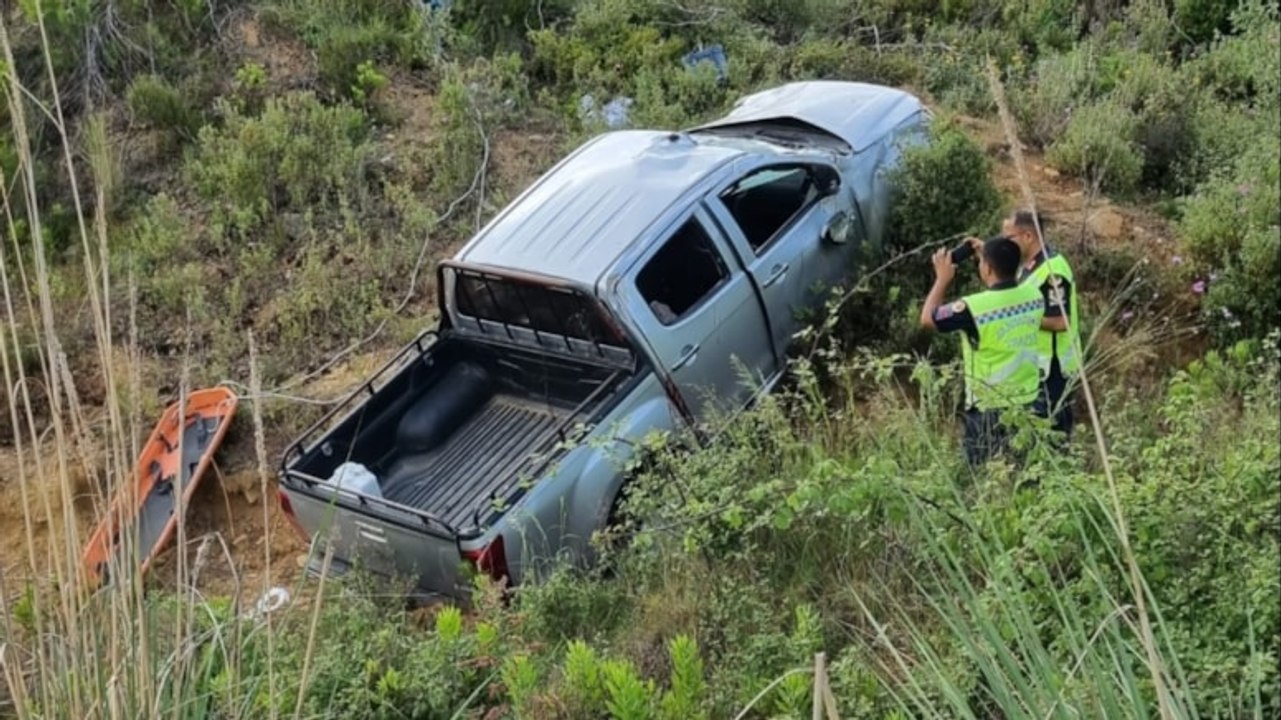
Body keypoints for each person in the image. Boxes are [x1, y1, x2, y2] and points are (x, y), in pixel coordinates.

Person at [920, 236, 1044, 467]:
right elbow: (1006, 287)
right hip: (1028, 402)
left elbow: (928, 319)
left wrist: (942, 280)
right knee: (1021, 472)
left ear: (986, 268)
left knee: (982, 476)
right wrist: (991, 257)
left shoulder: (972, 308)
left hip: (989, 408)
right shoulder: (1034, 297)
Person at [997, 210, 1081, 437]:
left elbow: (1060, 321)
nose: (1006, 245)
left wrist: (1019, 318)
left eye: (1008, 239)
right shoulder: (1029, 266)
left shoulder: (1053, 270)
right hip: (1035, 368)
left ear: (1027, 237)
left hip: (1054, 370)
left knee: (1053, 436)